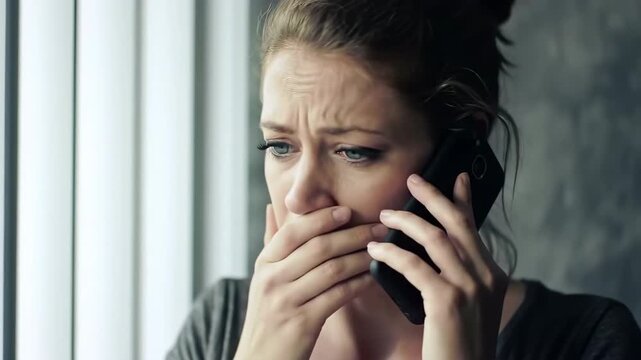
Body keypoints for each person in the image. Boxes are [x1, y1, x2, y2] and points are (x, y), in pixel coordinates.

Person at [166, 0, 641, 359]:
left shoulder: (588, 341)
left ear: (459, 149)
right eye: (280, 147)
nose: (299, 196)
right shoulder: (220, 327)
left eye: (355, 151)